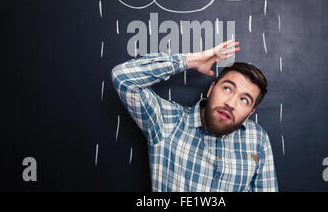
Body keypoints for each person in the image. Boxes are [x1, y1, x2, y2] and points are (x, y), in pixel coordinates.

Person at [111, 39, 278, 192]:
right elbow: (123, 77)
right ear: (211, 89)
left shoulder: (257, 138)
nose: (231, 103)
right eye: (227, 88)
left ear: (250, 113)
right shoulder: (167, 121)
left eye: (244, 100)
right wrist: (191, 61)